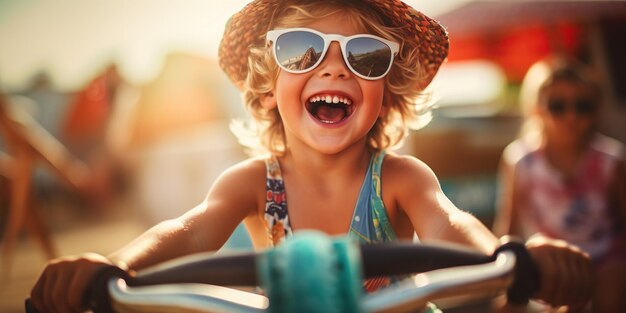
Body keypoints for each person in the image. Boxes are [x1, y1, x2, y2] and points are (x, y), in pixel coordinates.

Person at [30, 1, 592, 312]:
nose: (333, 67)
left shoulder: (399, 178)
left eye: (365, 55)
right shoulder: (251, 183)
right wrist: (115, 264)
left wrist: (511, 257)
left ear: (387, 91)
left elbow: (451, 223)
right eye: (300, 50)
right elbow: (188, 229)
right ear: (267, 86)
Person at [493, 56, 626, 312]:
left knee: (610, 296)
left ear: (595, 109)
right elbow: (509, 227)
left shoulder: (612, 160)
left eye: (583, 106)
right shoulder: (520, 160)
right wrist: (503, 285)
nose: (571, 116)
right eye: (558, 106)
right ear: (537, 108)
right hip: (550, 260)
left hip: (606, 258)